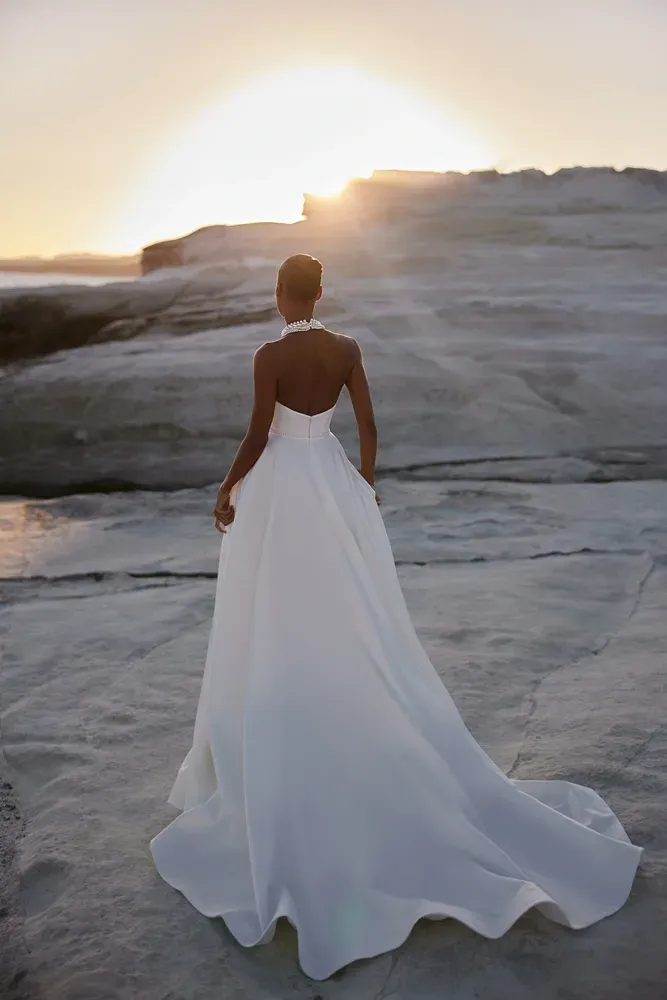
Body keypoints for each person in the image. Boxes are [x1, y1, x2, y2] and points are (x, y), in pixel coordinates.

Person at [150, 254, 642, 982]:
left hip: (281, 490)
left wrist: (228, 488)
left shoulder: (268, 352)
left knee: (273, 613)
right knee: (346, 611)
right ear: (321, 293)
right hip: (329, 481)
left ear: (281, 295)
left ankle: (282, 723)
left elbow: (258, 434)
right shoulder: (347, 348)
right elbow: (369, 425)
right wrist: (363, 489)